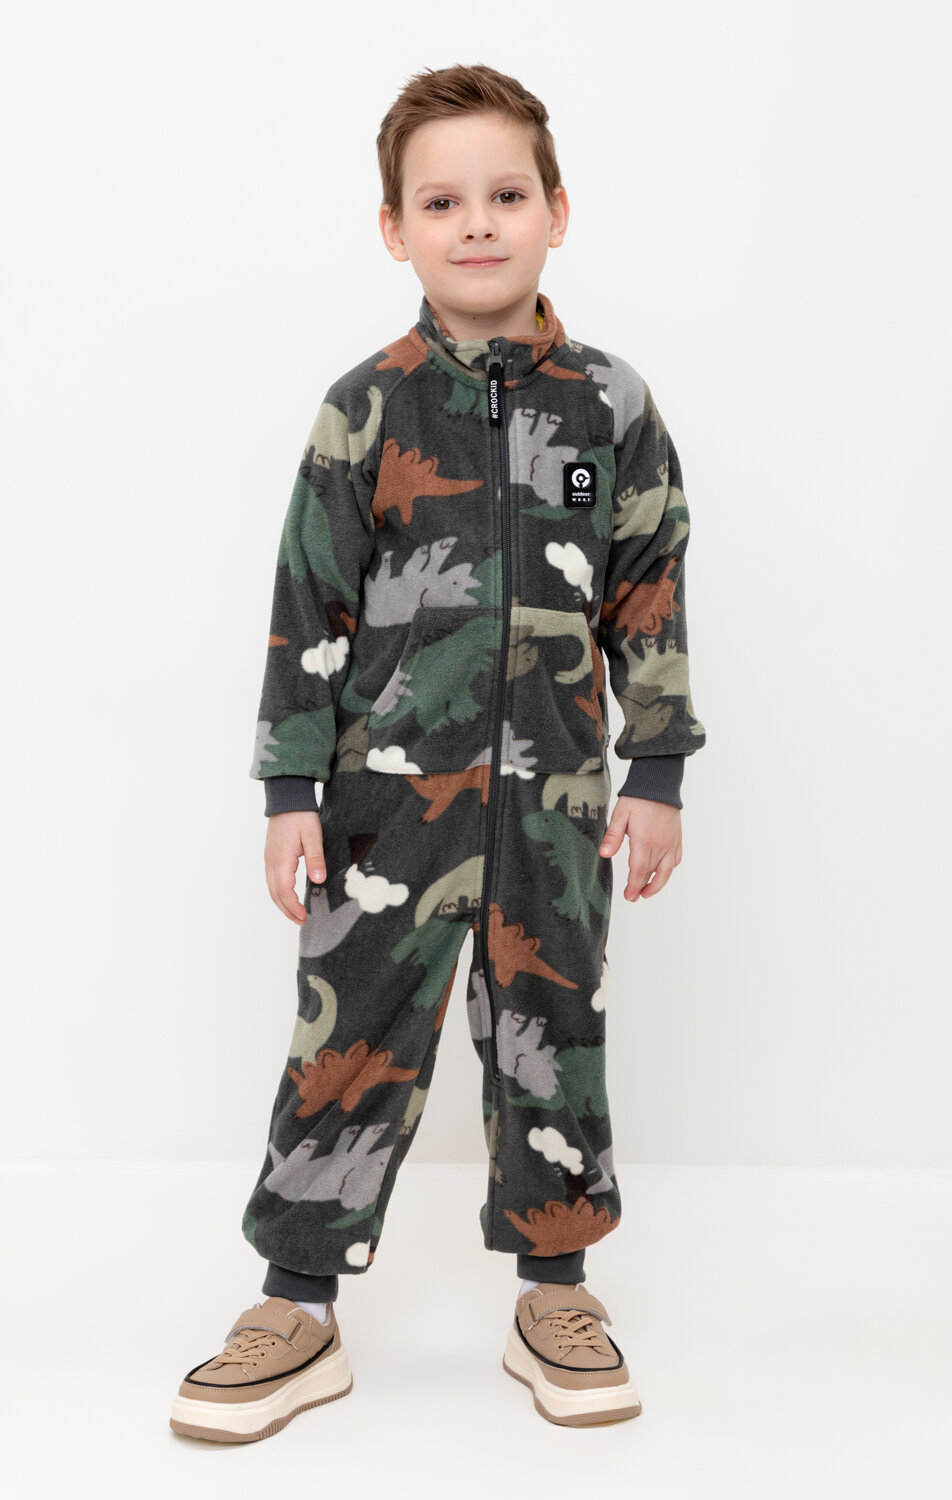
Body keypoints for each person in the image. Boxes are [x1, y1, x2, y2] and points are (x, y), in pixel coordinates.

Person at [170, 61, 706, 1442]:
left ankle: (556, 1294)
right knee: (349, 1034)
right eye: (442, 202)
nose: (478, 224)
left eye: (507, 195)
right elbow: (309, 606)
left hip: (558, 803)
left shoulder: (612, 407)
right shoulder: (366, 409)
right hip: (383, 808)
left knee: (554, 1036)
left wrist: (656, 772)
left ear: (557, 212)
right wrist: (290, 790)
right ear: (394, 228)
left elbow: (647, 588)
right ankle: (296, 1306)